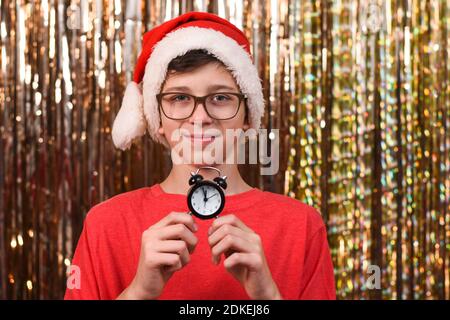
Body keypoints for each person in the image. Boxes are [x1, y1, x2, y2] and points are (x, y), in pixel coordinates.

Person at [64, 11, 336, 300]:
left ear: (248, 115)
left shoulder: (302, 226)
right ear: (156, 119)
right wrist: (139, 292)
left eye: (220, 98)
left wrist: (267, 295)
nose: (200, 117)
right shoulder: (105, 224)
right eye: (180, 98)